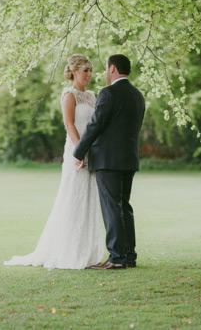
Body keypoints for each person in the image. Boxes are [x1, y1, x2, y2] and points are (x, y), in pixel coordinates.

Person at [4, 54, 104, 269]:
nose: (89, 75)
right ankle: (69, 252)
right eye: (85, 70)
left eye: (90, 70)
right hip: (76, 152)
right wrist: (80, 153)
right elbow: (69, 125)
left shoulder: (91, 95)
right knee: (73, 197)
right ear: (74, 71)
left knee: (89, 199)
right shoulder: (69, 95)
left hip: (92, 152)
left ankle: (88, 254)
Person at [73, 54, 146, 270]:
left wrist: (78, 153)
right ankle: (129, 255)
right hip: (129, 158)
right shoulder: (137, 95)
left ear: (112, 69)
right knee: (124, 206)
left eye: (106, 68)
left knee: (112, 208)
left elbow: (95, 125)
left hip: (107, 160)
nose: (105, 73)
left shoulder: (108, 93)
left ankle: (116, 258)